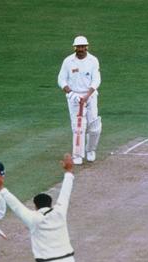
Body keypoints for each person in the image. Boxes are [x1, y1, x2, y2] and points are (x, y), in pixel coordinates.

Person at [58, 35, 102, 165]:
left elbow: (96, 80)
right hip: (74, 98)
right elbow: (61, 80)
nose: (81, 49)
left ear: (87, 47)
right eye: (78, 47)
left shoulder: (93, 60)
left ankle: (90, 150)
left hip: (90, 96)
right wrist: (71, 93)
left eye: (83, 46)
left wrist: (87, 95)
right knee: (78, 127)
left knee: (94, 126)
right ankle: (77, 154)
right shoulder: (68, 61)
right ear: (75, 47)